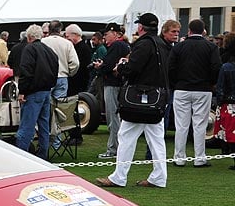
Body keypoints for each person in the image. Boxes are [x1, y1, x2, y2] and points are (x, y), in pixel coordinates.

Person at [95, 13, 169, 188]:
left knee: (126, 136)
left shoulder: (143, 44)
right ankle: (159, 177)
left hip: (138, 98)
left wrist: (121, 66)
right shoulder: (162, 44)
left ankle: (119, 177)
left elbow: (132, 69)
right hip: (157, 97)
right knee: (156, 139)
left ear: (141, 27)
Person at [169, 18, 222, 168]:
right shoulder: (211, 47)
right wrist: (210, 83)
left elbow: (171, 68)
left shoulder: (179, 47)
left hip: (182, 89)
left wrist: (176, 84)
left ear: (189, 30)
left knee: (181, 125)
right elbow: (216, 67)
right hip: (203, 89)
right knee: (200, 125)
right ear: (204, 31)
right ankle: (199, 158)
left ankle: (179, 157)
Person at [15, 24, 58, 159]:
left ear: (29, 37)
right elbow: (55, 68)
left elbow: (26, 71)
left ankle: (21, 157)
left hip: (34, 92)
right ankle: (42, 156)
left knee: (26, 126)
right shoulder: (49, 50)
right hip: (46, 91)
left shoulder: (29, 49)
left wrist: (22, 91)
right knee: (44, 127)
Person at [93, 23, 130, 159]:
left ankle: (113, 149)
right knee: (118, 118)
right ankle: (118, 148)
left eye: (107, 34)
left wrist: (100, 66)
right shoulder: (125, 45)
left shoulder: (116, 45)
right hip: (121, 84)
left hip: (113, 84)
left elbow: (107, 66)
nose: (105, 37)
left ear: (115, 34)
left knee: (112, 117)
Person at [41, 20, 79, 100]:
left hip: (46, 77)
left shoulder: (42, 42)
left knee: (46, 105)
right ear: (60, 30)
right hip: (62, 77)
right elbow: (75, 63)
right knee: (60, 107)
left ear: (49, 29)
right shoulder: (67, 43)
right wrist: (69, 73)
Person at [214, 33, 235, 169]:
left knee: (231, 133)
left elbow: (220, 87)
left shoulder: (226, 66)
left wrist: (219, 101)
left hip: (229, 103)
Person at [65, 24, 91, 97]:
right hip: (76, 83)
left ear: (75, 35)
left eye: (68, 36)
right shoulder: (79, 47)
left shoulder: (83, 49)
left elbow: (81, 67)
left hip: (79, 84)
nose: (66, 39)